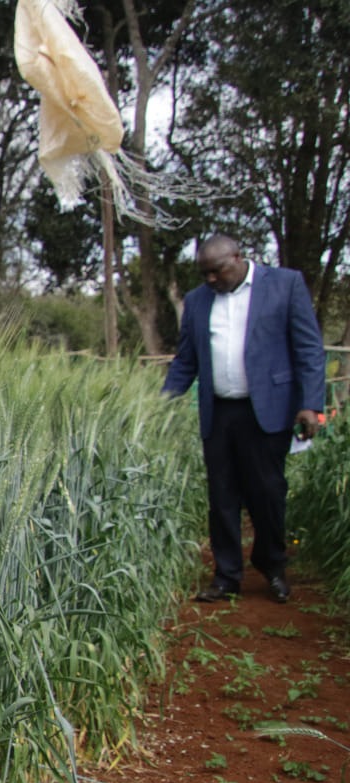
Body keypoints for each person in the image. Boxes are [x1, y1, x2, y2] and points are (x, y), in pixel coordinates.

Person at [163, 234, 326, 604]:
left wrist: (310, 404)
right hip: (219, 411)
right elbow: (185, 361)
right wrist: (162, 405)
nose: (210, 280)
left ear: (238, 258)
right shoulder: (197, 301)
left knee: (267, 492)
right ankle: (226, 576)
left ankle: (272, 566)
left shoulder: (285, 284)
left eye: (216, 271)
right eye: (204, 273)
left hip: (268, 409)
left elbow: (308, 349)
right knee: (221, 496)